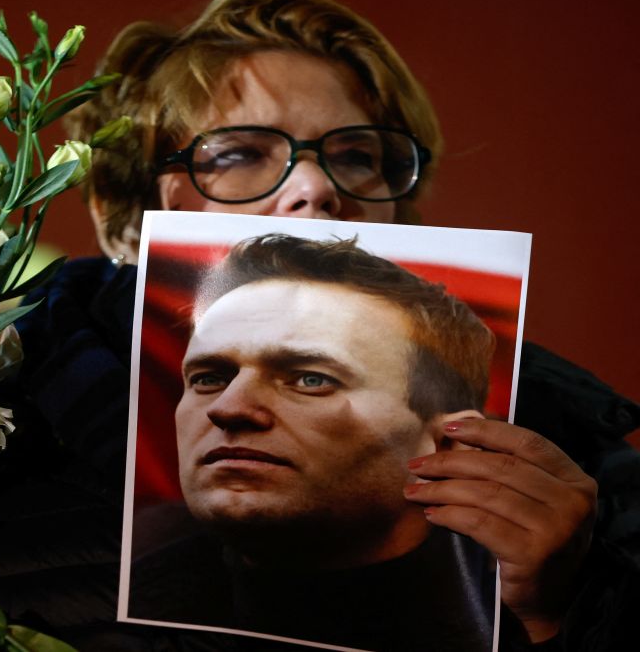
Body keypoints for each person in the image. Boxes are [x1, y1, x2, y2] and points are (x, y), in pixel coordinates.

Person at [0, 0, 640, 650]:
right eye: (238, 154)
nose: (315, 186)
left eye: (359, 155)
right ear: (123, 221)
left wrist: (565, 609)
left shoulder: (557, 446)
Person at [128, 234, 501, 649]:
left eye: (311, 379)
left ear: (449, 450)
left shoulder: (533, 617)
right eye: (210, 378)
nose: (229, 408)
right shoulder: (108, 597)